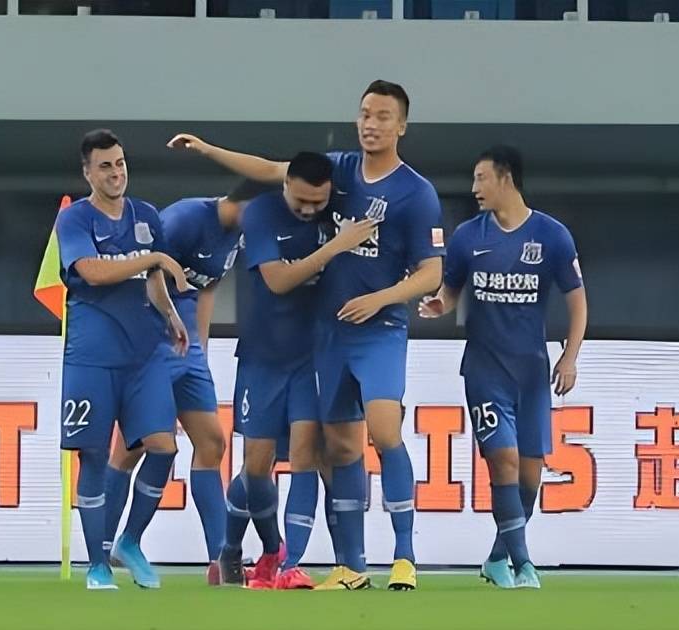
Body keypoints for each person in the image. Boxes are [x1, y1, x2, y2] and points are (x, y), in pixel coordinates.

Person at [167, 79, 446, 591]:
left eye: (383, 116)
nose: (371, 124)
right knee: (337, 449)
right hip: (327, 337)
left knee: (384, 431)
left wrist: (381, 299)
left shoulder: (417, 193)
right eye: (365, 113)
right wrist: (208, 149)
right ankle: (350, 566)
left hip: (380, 328)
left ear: (402, 126)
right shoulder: (339, 170)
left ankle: (404, 557)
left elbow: (432, 273)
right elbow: (269, 169)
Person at [419, 145, 587, 589]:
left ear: (505, 178)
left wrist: (570, 356)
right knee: (504, 461)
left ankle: (496, 559)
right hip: (484, 369)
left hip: (531, 373)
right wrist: (439, 305)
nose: (474, 188)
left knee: (530, 474)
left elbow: (577, 301)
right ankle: (524, 565)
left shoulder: (552, 236)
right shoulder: (467, 237)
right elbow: (450, 291)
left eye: (481, 178)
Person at [102, 180, 269, 585]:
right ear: (244, 203)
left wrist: (200, 349)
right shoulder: (184, 218)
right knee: (132, 448)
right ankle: (103, 548)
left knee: (212, 443)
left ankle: (220, 557)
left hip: (186, 345)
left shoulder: (236, 236)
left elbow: (206, 288)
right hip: (149, 340)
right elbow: (146, 272)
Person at [220, 152, 375, 590]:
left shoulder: (336, 214)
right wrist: (334, 247)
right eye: (301, 200)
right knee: (256, 465)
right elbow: (278, 280)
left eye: (317, 202)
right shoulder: (262, 214)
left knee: (307, 452)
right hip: (262, 357)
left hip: (312, 357)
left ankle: (289, 563)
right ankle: (238, 548)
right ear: (286, 184)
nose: (309, 209)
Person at [55, 129, 189, 590]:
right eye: (105, 166)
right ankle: (97, 563)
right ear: (88, 173)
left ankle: (129, 540)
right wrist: (154, 258)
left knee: (164, 447)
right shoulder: (74, 219)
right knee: (93, 456)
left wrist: (170, 314)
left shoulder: (147, 215)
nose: (116, 173)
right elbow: (92, 272)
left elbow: (153, 279)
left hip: (143, 354)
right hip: (92, 356)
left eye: (120, 163)